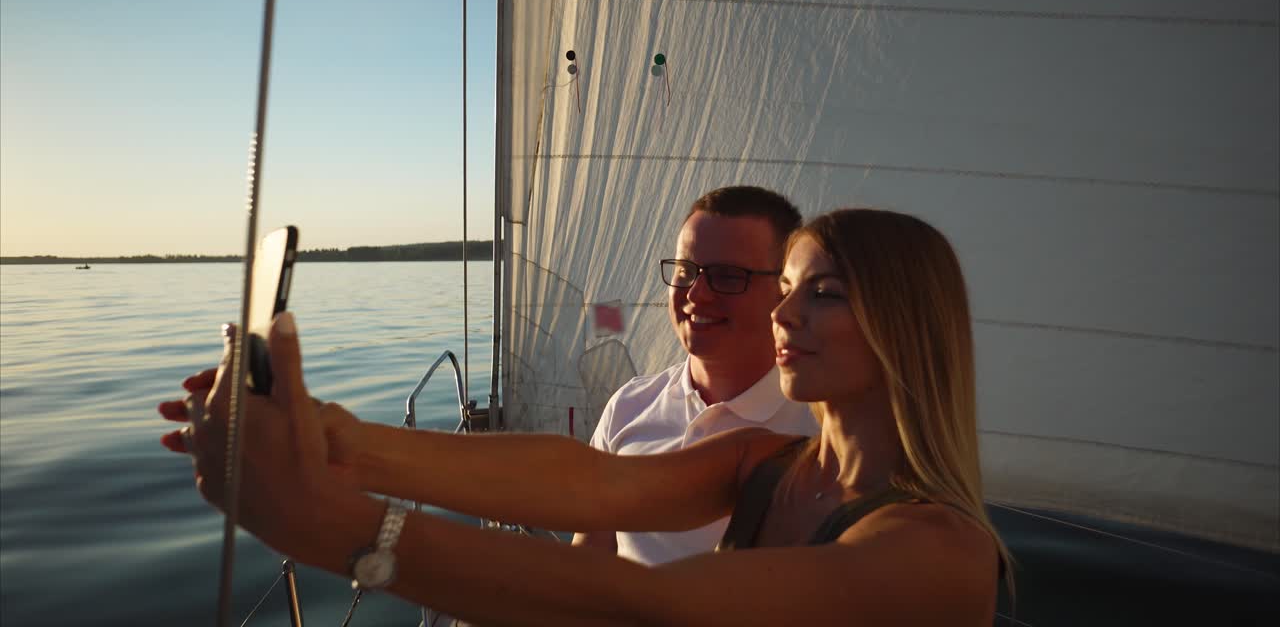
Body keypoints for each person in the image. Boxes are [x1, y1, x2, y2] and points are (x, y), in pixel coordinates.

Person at [160, 208, 1009, 625]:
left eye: (824, 296)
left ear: (908, 324)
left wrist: (340, 529)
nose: (784, 318)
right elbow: (594, 484)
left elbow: (644, 608)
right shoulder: (770, 464)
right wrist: (332, 435)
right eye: (785, 292)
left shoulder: (938, 553)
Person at [574, 185, 817, 564]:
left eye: (728, 276)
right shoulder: (629, 405)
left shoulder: (824, 430)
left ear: (783, 291)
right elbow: (586, 565)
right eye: (686, 270)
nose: (696, 294)